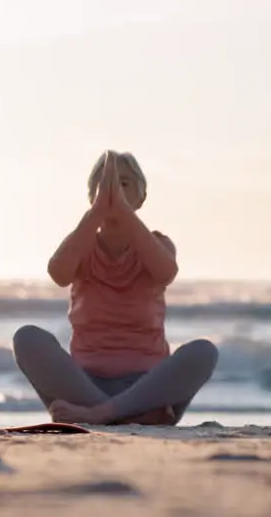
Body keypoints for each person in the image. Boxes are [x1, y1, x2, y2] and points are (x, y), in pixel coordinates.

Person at [12, 150, 217, 425]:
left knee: (204, 351)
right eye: (104, 186)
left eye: (123, 184)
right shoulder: (82, 245)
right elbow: (58, 273)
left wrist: (123, 211)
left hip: (146, 391)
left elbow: (165, 272)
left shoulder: (158, 245)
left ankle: (103, 414)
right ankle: (116, 413)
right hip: (84, 387)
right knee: (27, 338)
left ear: (141, 197)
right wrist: (97, 212)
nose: (112, 194)